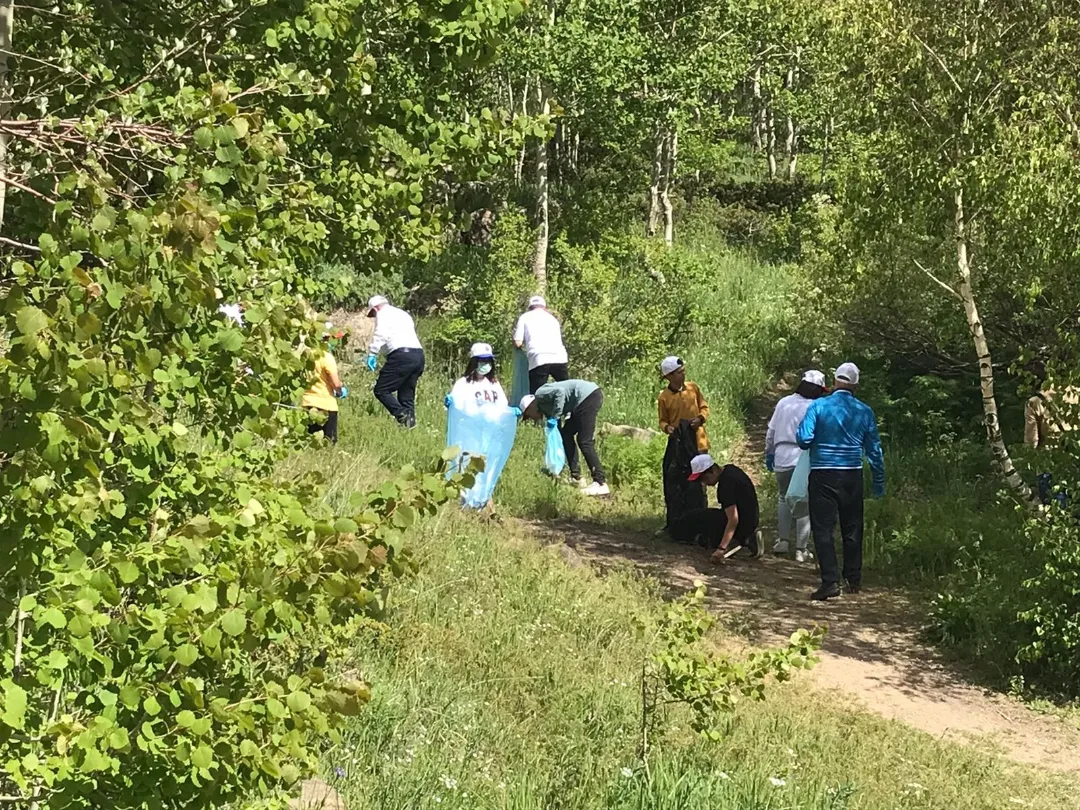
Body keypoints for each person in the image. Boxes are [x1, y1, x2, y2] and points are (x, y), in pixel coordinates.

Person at [796, 362, 885, 601]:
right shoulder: (865, 411)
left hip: (823, 473)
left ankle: (830, 581)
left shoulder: (818, 406)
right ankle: (853, 579)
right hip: (852, 474)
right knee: (853, 526)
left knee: (823, 528)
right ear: (856, 385)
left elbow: (804, 439)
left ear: (834, 382)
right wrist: (878, 481)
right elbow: (874, 450)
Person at [765, 369, 828, 562]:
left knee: (783, 497)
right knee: (804, 501)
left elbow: (771, 432)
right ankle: (801, 549)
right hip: (804, 458)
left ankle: (783, 541)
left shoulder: (784, 403)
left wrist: (769, 453)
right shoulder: (817, 406)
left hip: (782, 456)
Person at [519, 380, 609, 496]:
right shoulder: (544, 409)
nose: (531, 418)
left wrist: (555, 417)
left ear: (530, 406)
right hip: (581, 401)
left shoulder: (540, 394)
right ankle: (577, 477)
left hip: (588, 396)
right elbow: (558, 424)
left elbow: (560, 392)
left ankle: (600, 482)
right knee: (566, 435)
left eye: (528, 415)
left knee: (585, 441)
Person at [668, 454, 762, 563]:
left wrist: (721, 549)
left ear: (712, 471)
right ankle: (743, 538)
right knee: (706, 517)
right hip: (751, 520)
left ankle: (741, 538)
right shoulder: (731, 470)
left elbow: (733, 519)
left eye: (703, 478)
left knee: (698, 517)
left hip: (742, 525)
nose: (704, 483)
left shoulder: (725, 486)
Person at [657, 356, 709, 534]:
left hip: (698, 441)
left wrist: (700, 419)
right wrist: (668, 428)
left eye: (683, 371)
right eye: (679, 373)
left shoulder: (693, 388)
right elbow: (662, 420)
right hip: (678, 443)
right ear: (669, 376)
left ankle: (701, 522)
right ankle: (676, 523)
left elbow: (704, 407)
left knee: (699, 482)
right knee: (676, 481)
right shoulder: (664, 397)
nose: (683, 375)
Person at [366, 295, 425, 428]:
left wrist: (373, 353)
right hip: (418, 355)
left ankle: (402, 414)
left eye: (373, 314)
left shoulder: (383, 314)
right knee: (406, 395)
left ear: (375, 308)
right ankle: (410, 426)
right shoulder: (403, 314)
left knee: (381, 390)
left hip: (401, 355)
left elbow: (381, 334)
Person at [513, 295, 570, 394]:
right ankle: (571, 408)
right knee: (566, 390)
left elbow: (518, 343)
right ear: (544, 307)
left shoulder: (525, 317)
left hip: (539, 357)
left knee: (537, 394)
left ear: (530, 307)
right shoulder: (553, 319)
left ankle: (538, 408)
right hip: (559, 357)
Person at [301, 336, 346, 443]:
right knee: (328, 442)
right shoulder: (326, 357)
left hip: (307, 402)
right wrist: (340, 391)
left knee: (309, 442)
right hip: (326, 404)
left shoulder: (305, 355)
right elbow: (335, 382)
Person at [448, 342, 508, 410]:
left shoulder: (494, 384)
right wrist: (451, 404)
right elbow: (457, 408)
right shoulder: (463, 384)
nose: (486, 363)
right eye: (483, 360)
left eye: (488, 360)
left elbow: (503, 406)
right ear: (474, 362)